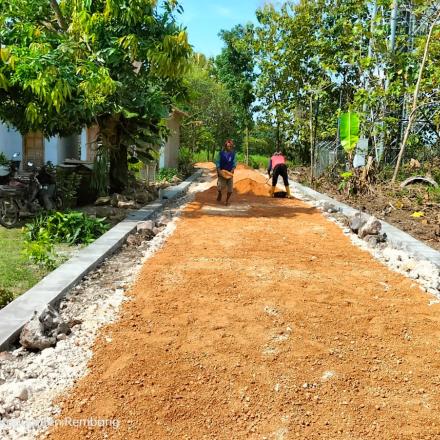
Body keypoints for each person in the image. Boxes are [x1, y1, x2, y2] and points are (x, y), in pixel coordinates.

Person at [215, 139, 237, 205]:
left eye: (230, 146)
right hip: (222, 172)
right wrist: (219, 171)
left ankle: (226, 200)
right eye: (228, 146)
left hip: (229, 173)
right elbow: (217, 162)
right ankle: (219, 193)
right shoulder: (220, 154)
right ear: (225, 146)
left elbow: (234, 163)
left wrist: (232, 170)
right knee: (219, 187)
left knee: (230, 190)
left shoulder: (233, 154)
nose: (229, 147)